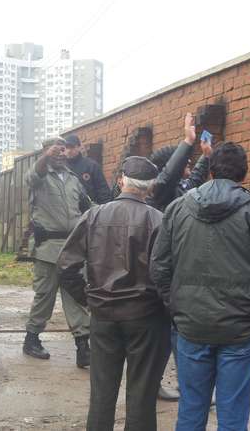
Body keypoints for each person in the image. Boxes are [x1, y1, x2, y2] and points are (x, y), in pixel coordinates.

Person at [151, 142, 250, 431]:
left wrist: (175, 307)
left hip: (191, 326)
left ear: (211, 170)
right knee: (233, 412)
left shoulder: (178, 208)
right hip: (240, 328)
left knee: (191, 407)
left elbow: (159, 267)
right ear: (244, 173)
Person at [58, 156, 168, 430]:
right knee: (142, 396)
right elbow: (169, 273)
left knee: (102, 395)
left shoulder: (94, 215)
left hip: (103, 314)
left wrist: (89, 299)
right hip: (145, 317)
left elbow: (66, 266)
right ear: (150, 187)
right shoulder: (159, 220)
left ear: (120, 182)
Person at [145, 112, 211, 401]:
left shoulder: (178, 190)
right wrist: (186, 141)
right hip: (163, 274)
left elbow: (191, 179)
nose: (188, 166)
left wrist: (205, 156)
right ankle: (183, 388)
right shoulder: (158, 193)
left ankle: (180, 386)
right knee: (170, 334)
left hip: (175, 271)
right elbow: (170, 175)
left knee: (171, 334)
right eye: (185, 162)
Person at [22, 137, 92, 368]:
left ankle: (83, 347)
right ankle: (31, 339)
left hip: (72, 247)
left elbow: (86, 205)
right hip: (48, 248)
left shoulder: (72, 179)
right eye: (56, 150)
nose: (61, 154)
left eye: (63, 150)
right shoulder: (39, 176)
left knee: (76, 296)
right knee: (45, 296)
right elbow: (33, 175)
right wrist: (45, 158)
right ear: (46, 153)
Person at [64, 134, 112, 204]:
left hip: (90, 210)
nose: (68, 151)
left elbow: (103, 191)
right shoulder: (61, 168)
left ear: (79, 147)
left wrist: (103, 210)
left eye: (72, 147)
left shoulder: (91, 166)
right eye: (66, 148)